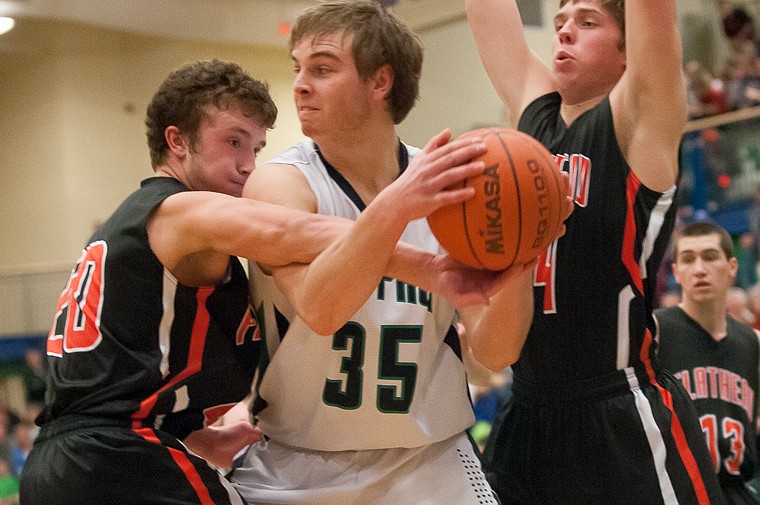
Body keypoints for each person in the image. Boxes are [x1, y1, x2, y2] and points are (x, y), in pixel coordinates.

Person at [18, 58, 494, 505]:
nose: (249, 164)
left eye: (257, 147)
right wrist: (421, 252)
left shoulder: (155, 230)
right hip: (114, 458)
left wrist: (201, 436)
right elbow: (294, 232)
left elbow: (118, 383)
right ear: (177, 141)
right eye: (233, 142)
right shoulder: (179, 210)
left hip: (70, 464)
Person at [229, 2, 571, 504]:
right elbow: (322, 308)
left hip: (430, 458)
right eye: (298, 69)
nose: (301, 85)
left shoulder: (456, 193)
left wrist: (524, 254)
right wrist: (393, 208)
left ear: (380, 82)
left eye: (322, 69)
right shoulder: (281, 184)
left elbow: (496, 352)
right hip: (297, 464)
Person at [466, 0, 727, 503]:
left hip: (619, 410)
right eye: (560, 23)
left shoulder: (637, 121)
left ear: (629, 53)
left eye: (588, 23)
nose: (564, 33)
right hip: (525, 410)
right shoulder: (533, 117)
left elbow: (653, 13)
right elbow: (486, 12)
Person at [656, 221, 760, 505]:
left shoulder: (752, 343)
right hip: (677, 493)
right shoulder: (654, 332)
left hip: (736, 490)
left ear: (732, 267)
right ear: (676, 272)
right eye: (688, 259)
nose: (699, 269)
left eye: (710, 256)